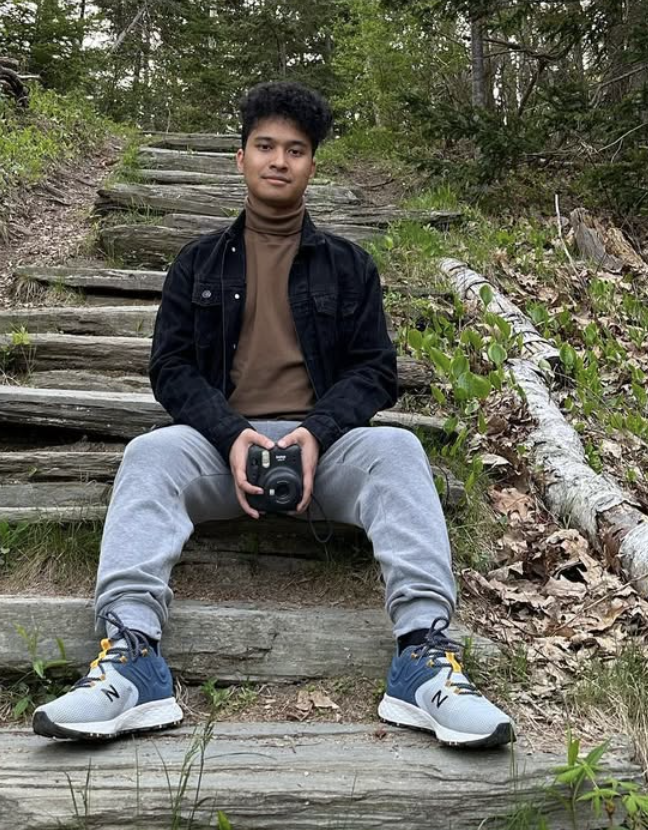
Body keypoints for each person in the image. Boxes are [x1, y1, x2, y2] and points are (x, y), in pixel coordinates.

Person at [33, 81, 514, 748]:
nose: (279, 160)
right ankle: (130, 659)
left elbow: (375, 370)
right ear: (241, 158)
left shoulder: (349, 266)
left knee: (401, 452)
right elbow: (170, 370)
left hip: (327, 450)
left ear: (313, 164)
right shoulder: (197, 262)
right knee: (149, 456)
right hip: (221, 450)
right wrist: (232, 435)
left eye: (296, 149)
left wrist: (316, 434)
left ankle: (425, 660)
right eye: (266, 146)